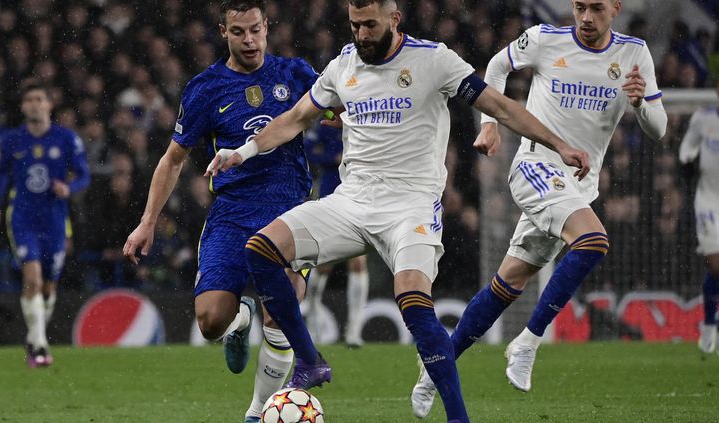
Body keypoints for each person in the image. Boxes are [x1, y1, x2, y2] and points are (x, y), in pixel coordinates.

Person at [207, 1, 590, 421]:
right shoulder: (344, 65)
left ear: (394, 19)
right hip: (352, 199)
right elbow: (296, 118)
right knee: (260, 249)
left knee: (411, 299)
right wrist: (242, 152)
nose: (362, 34)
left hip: (411, 205)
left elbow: (498, 106)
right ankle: (310, 360)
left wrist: (560, 145)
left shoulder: (434, 60)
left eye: (370, 24)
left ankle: (458, 417)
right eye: (355, 25)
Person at [410, 0, 668, 416]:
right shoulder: (546, 40)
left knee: (508, 282)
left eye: (596, 8)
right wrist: (489, 124)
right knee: (592, 240)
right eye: (580, 7)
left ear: (616, 8)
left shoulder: (634, 53)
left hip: (577, 188)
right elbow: (495, 66)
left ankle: (433, 370)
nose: (586, 17)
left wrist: (640, 104)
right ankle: (528, 341)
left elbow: (658, 130)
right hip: (535, 167)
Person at [121, 1, 319, 421]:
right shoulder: (205, 88)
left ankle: (256, 412)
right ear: (223, 32)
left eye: (255, 30)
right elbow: (174, 159)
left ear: (267, 27)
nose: (249, 40)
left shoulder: (295, 74)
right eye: (238, 32)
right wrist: (147, 222)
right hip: (232, 212)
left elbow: (336, 110)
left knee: (281, 310)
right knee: (210, 321)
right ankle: (238, 319)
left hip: (289, 209)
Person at [0, 83, 90, 367]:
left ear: (48, 105)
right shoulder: (12, 140)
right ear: (22, 107)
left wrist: (69, 188)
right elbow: (2, 176)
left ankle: (33, 337)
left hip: (55, 220)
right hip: (22, 217)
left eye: (39, 99)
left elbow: (84, 175)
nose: (33, 104)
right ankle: (41, 347)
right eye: (28, 99)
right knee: (32, 280)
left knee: (49, 288)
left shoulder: (66, 139)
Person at [303, 122, 369, 347]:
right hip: (331, 199)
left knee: (358, 263)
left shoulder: (363, 121)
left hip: (358, 199)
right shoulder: (325, 124)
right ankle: (310, 317)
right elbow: (307, 147)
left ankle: (354, 331)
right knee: (323, 264)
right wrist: (333, 157)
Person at [679, 82, 719, 354]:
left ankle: (710, 320)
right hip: (709, 199)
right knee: (717, 266)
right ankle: (709, 323)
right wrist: (689, 164)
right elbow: (686, 151)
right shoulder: (703, 118)